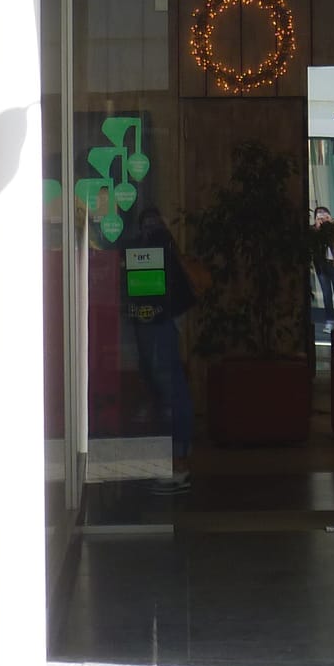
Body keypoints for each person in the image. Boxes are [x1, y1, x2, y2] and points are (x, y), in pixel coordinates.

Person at [125, 206, 196, 494]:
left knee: (169, 386)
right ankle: (176, 461)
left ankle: (177, 464)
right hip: (163, 316)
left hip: (158, 317)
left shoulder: (151, 241)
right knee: (169, 385)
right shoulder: (164, 242)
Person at [312, 205, 334, 322]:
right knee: (326, 295)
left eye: (325, 216)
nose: (322, 219)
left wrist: (332, 223)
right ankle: (329, 319)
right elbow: (311, 240)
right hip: (322, 267)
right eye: (319, 216)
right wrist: (317, 227)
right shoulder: (313, 230)